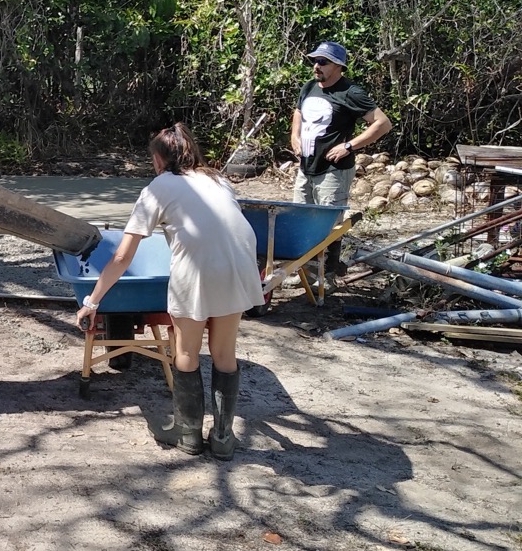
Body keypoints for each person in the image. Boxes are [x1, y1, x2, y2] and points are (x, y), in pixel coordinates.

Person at [74, 123, 266, 460]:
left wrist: (92, 301)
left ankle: (188, 433)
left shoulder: (159, 187)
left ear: (160, 159)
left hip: (199, 270)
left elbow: (122, 255)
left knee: (187, 353)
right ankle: (222, 437)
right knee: (224, 354)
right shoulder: (217, 178)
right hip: (240, 264)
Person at [291, 41, 393, 274]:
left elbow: (383, 123)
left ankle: (327, 274)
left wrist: (349, 145)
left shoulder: (351, 92)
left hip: (333, 170)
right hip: (306, 167)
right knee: (300, 219)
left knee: (329, 225)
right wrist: (294, 137)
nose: (316, 66)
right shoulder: (309, 87)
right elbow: (298, 112)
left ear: (338, 66)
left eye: (323, 62)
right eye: (314, 61)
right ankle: (305, 271)